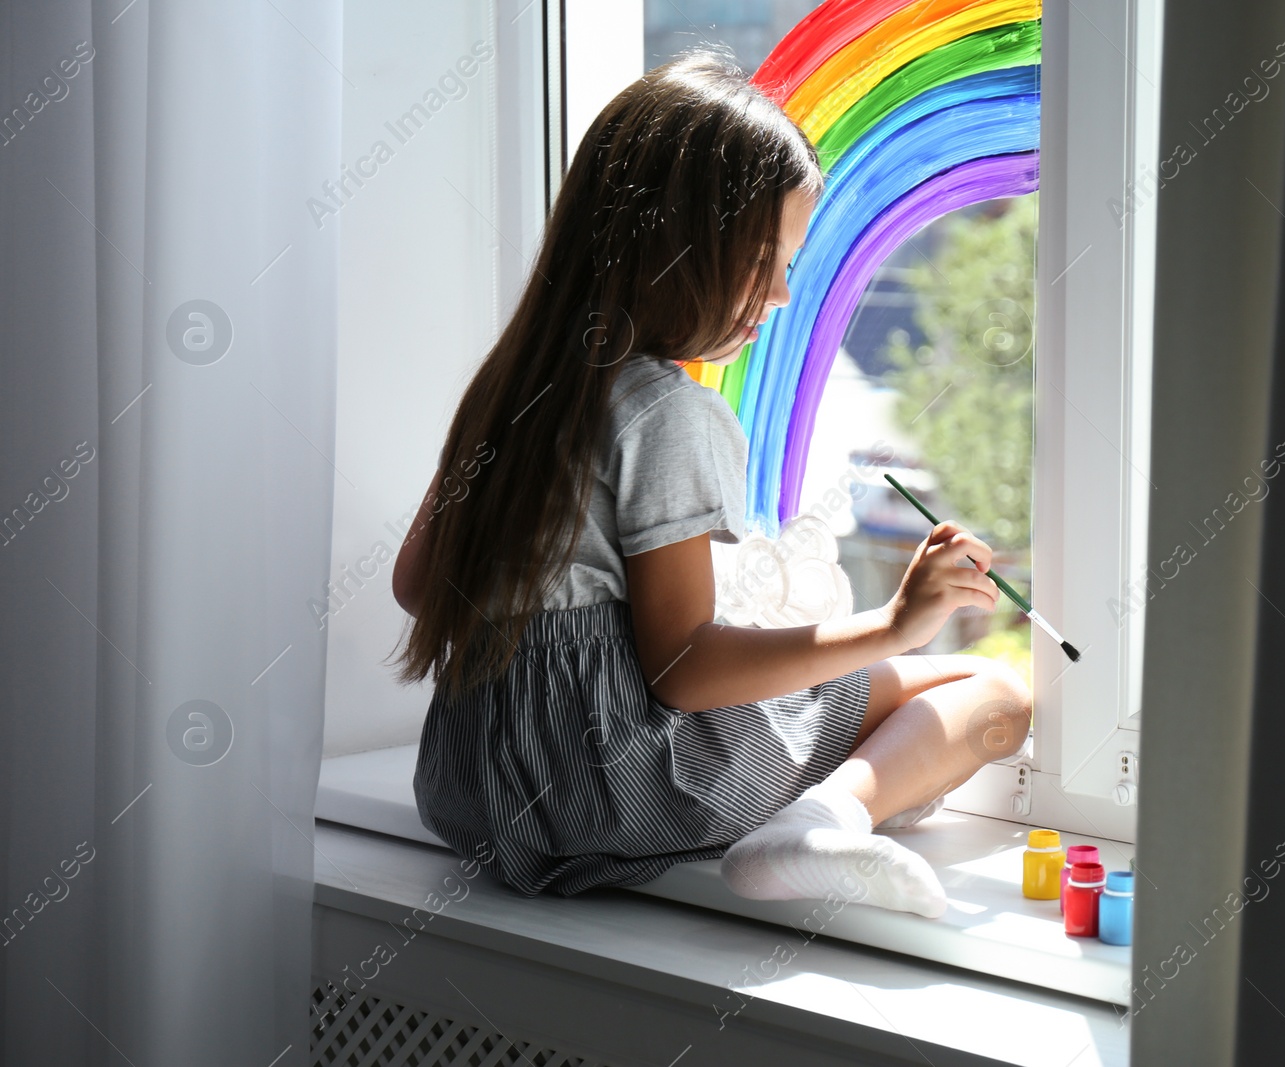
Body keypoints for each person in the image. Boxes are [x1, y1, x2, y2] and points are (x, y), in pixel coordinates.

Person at [390, 52, 1032, 919]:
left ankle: (812, 818)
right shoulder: (665, 411)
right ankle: (812, 825)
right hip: (614, 785)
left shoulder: (512, 388)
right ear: (670, 243)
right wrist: (892, 620)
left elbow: (415, 583)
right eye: (764, 257)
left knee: (882, 688)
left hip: (477, 786)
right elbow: (686, 669)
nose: (777, 294)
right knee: (997, 692)